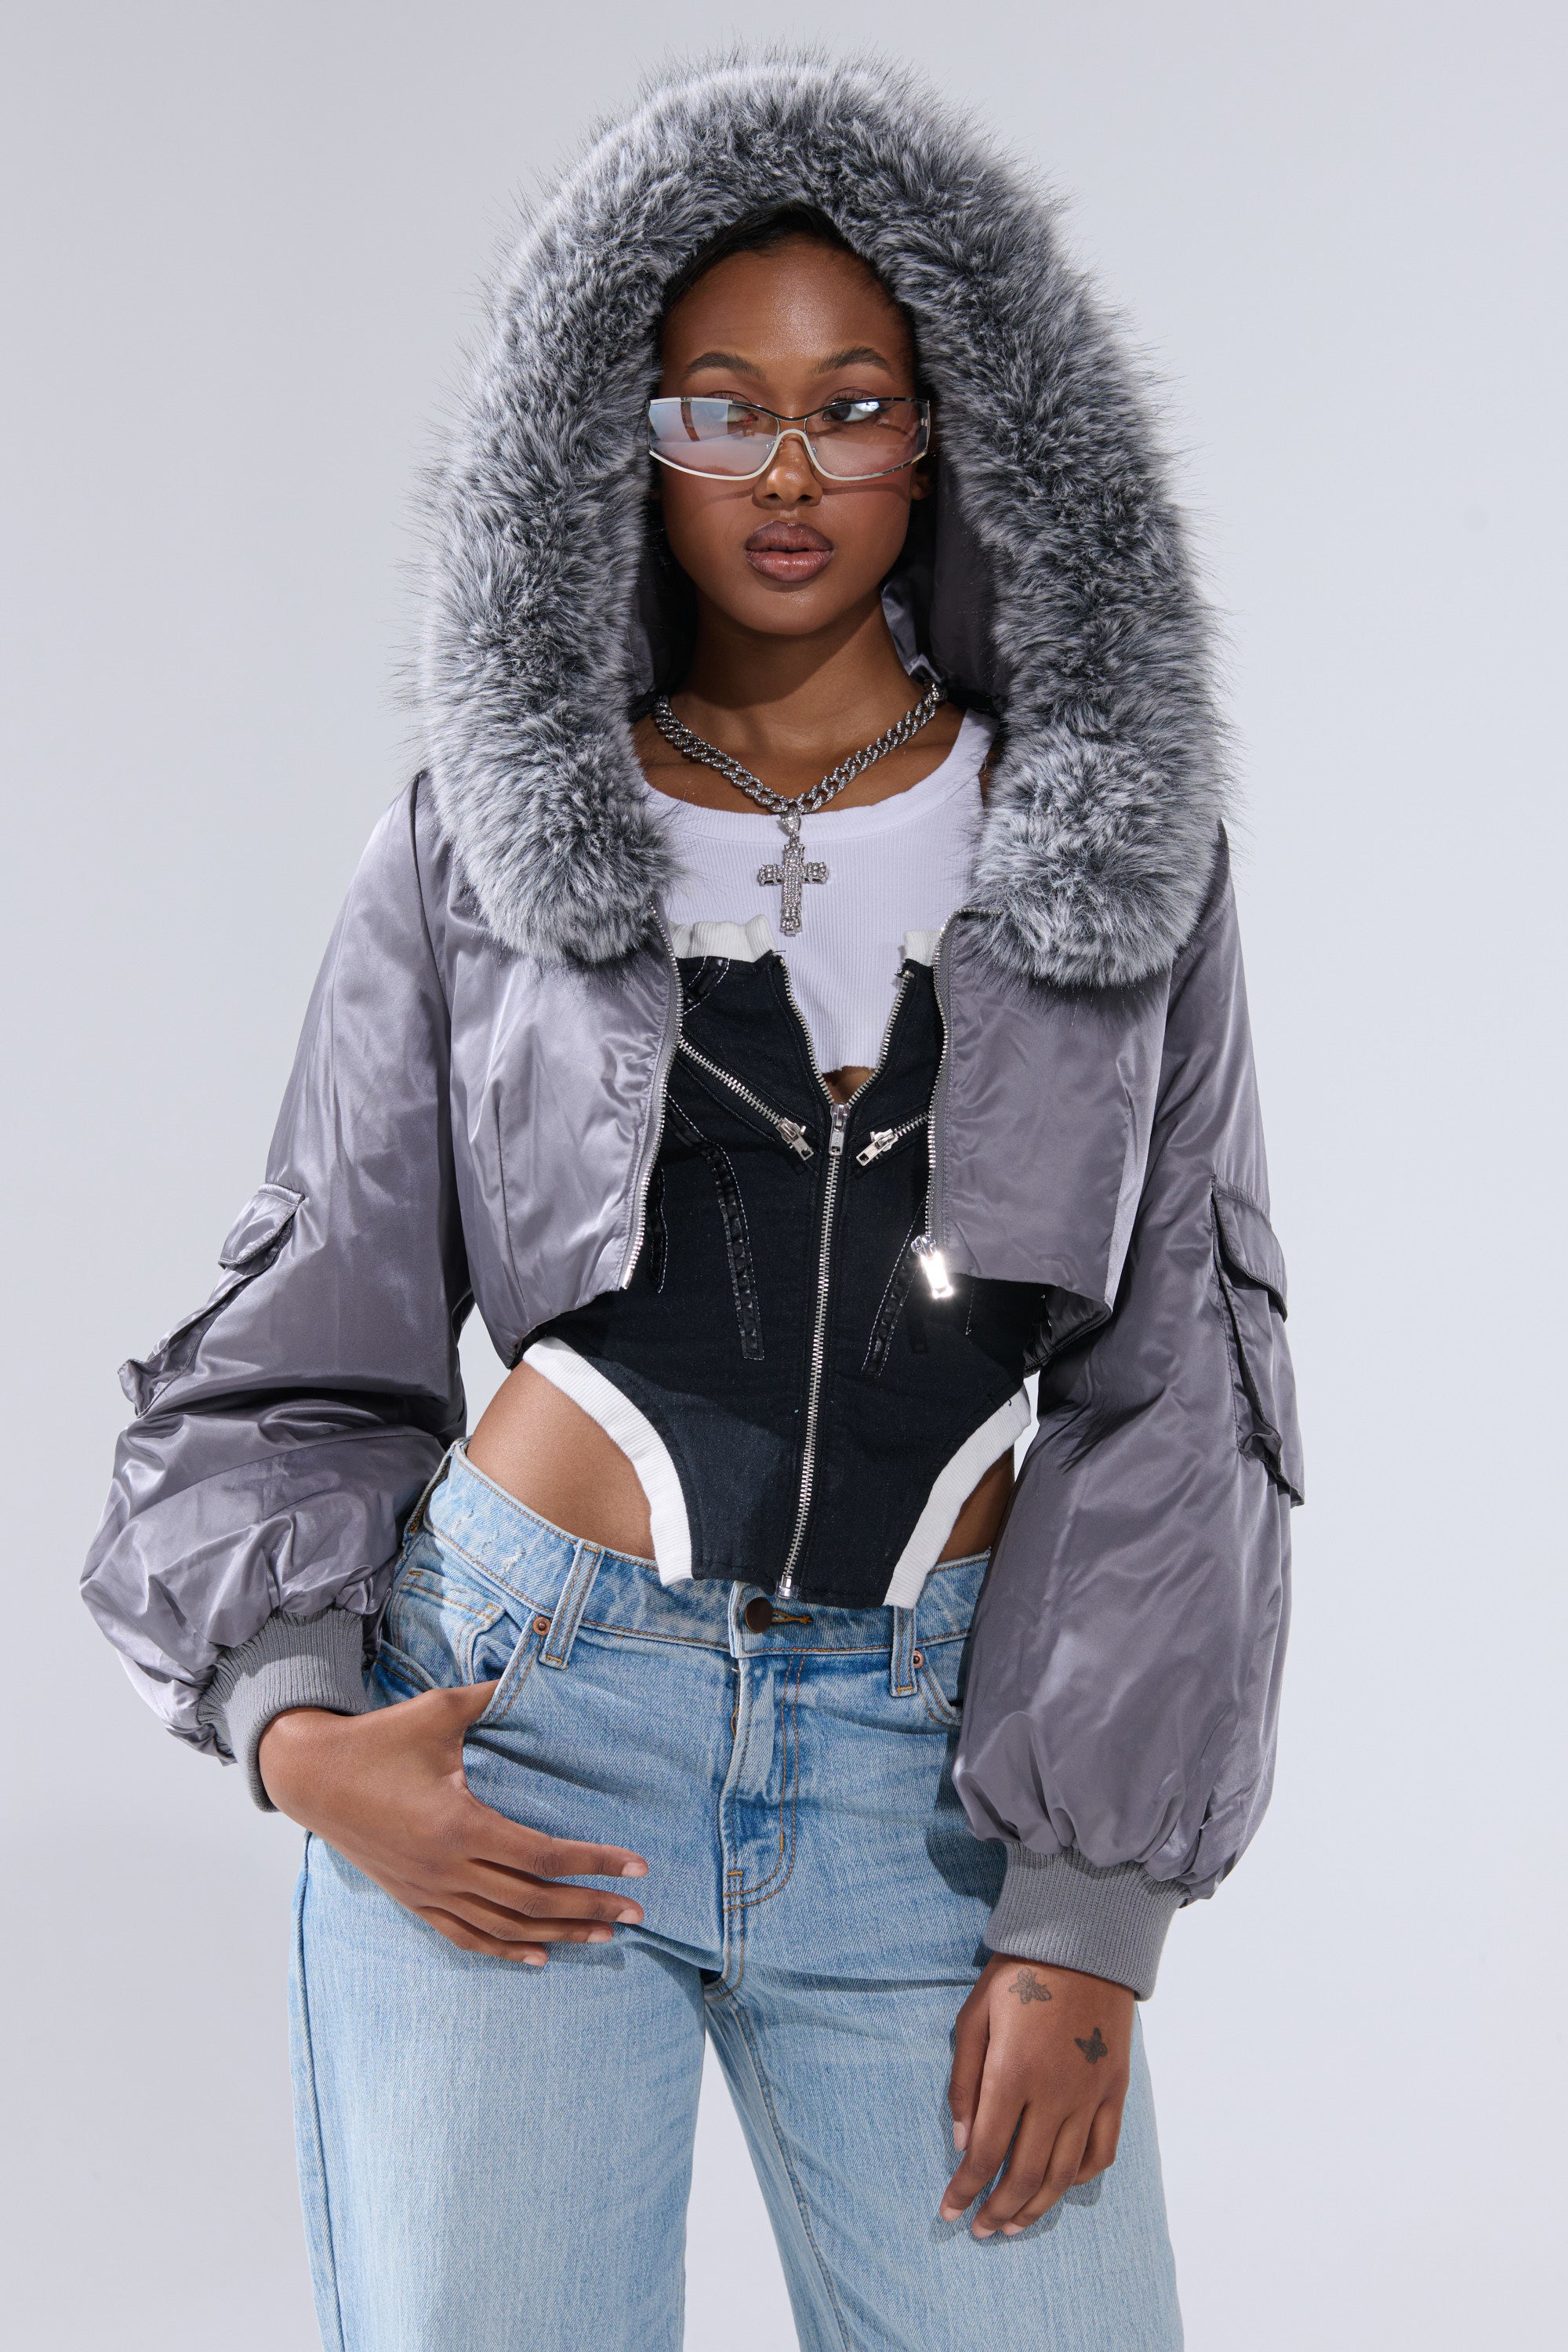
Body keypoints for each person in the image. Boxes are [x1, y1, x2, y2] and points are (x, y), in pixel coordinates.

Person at [82, 56, 1302, 2352]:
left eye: (853, 405)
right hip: (516, 1738)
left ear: (950, 435)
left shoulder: (1114, 844)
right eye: (715, 408)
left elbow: (1176, 1403)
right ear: (612, 445)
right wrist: (300, 1731)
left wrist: (1084, 1917)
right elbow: (315, 1317)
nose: (783, 468)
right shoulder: (479, 839)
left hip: (933, 1787)